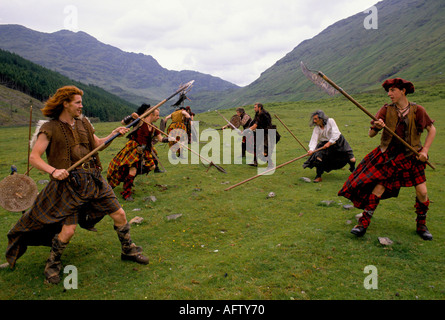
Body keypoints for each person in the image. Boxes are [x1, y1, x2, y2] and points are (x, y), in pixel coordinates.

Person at [5, 86, 149, 285]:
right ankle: (52, 265)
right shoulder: (50, 128)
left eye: (81, 102)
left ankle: (128, 250)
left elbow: (97, 144)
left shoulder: (84, 123)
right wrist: (54, 171)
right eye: (78, 102)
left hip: (94, 179)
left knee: (120, 214)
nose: (82, 106)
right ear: (65, 103)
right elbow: (34, 157)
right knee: (68, 230)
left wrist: (113, 134)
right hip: (68, 185)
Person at [338, 78, 436, 240]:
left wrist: (425, 150)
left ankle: (421, 224)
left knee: (422, 192)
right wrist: (376, 127)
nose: (389, 94)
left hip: (413, 156)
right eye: (388, 91)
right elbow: (370, 134)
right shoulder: (385, 109)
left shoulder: (418, 110)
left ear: (403, 91)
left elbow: (432, 129)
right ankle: (363, 223)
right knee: (378, 189)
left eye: (393, 90)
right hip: (389, 156)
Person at [107, 104, 164, 201]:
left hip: (144, 150)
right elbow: (123, 122)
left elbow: (161, 139)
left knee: (152, 166)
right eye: (157, 115)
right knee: (132, 169)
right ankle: (126, 194)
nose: (158, 117)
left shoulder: (154, 127)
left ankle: (128, 178)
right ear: (151, 115)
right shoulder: (140, 122)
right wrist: (132, 116)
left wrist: (171, 139)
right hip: (133, 148)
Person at [302, 110, 356, 182]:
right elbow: (314, 140)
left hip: (338, 142)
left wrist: (330, 142)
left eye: (316, 119)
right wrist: (311, 150)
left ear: (321, 118)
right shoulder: (316, 129)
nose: (314, 121)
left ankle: (352, 169)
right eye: (313, 119)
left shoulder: (330, 121)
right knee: (318, 157)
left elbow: (336, 133)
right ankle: (318, 176)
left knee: (352, 159)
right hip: (324, 144)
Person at [246, 102, 279, 166]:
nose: (254, 109)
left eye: (255, 107)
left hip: (267, 134)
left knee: (263, 151)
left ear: (259, 107)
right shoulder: (258, 114)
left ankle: (270, 164)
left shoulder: (263, 114)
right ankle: (255, 162)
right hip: (260, 133)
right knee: (256, 147)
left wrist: (247, 131)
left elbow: (255, 125)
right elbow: (253, 123)